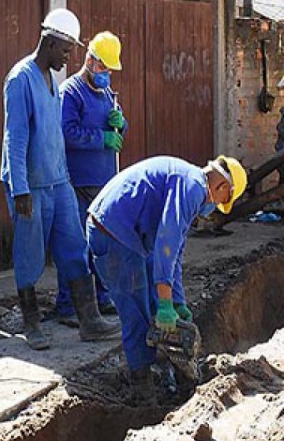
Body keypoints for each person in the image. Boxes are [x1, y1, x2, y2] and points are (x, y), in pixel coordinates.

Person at [0, 8, 120, 350]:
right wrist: (19, 187)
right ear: (50, 42)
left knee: (75, 247)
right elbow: (16, 136)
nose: (69, 58)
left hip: (58, 181)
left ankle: (90, 320)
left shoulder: (52, 79)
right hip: (30, 185)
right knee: (30, 255)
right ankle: (31, 323)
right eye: (66, 51)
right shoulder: (20, 79)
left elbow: (54, 135)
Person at [86, 155, 246, 405]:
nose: (214, 208)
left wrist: (177, 302)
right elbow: (166, 246)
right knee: (137, 313)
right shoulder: (193, 188)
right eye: (223, 201)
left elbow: (176, 254)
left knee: (151, 304)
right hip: (113, 234)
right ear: (223, 187)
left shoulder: (190, 181)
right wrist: (164, 304)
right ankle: (143, 393)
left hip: (127, 236)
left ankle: (160, 370)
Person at [55, 31, 124, 324]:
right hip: (78, 181)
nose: (107, 73)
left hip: (104, 180)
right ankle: (68, 304)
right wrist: (101, 138)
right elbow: (66, 132)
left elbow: (117, 126)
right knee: (75, 244)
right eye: (103, 67)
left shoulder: (107, 93)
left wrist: (121, 124)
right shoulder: (70, 92)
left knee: (100, 242)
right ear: (90, 60)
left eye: (110, 69)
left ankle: (101, 296)